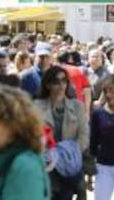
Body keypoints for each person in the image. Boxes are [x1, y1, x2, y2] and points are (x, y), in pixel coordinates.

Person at [34, 66, 89, 200]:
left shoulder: (78, 106)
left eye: (64, 81)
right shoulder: (35, 106)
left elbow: (84, 136)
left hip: (70, 164)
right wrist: (49, 155)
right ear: (47, 85)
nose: (61, 85)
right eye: (56, 82)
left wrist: (66, 153)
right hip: (46, 165)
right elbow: (31, 136)